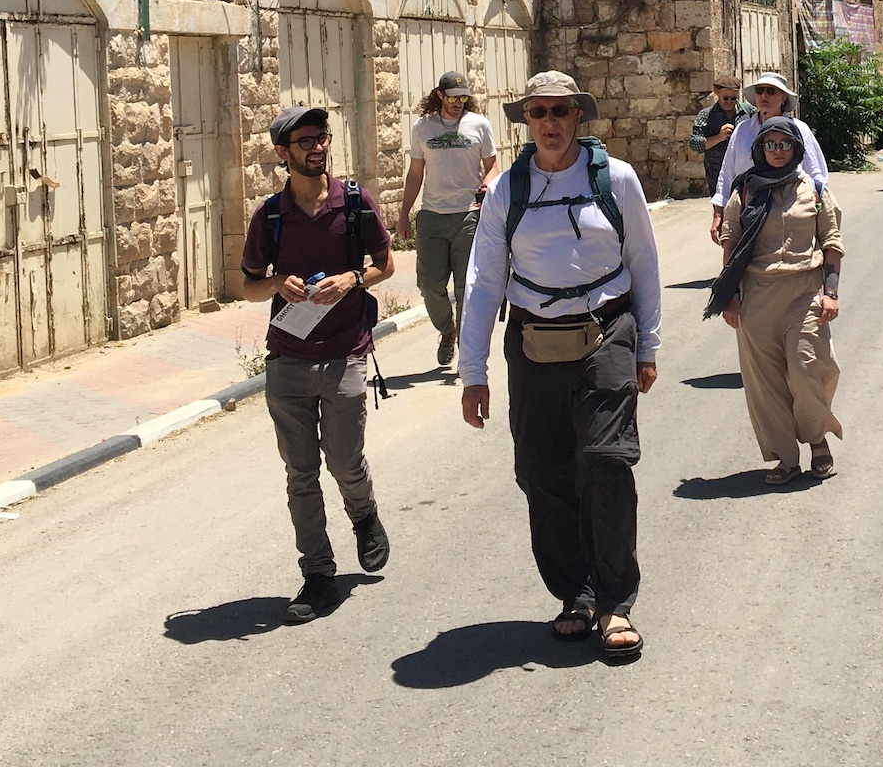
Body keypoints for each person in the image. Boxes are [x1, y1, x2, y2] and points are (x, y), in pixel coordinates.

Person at [459, 71, 663, 660]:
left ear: (578, 117)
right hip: (532, 342)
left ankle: (615, 602)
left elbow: (644, 264)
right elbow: (483, 282)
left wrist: (646, 345)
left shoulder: (615, 180)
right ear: (526, 120)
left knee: (605, 459)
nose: (550, 121)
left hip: (607, 330)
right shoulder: (507, 191)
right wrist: (473, 372)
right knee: (543, 470)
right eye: (539, 111)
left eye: (561, 111)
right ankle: (574, 594)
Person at [241, 105, 396, 625]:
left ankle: (364, 517)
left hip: (346, 354)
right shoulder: (271, 216)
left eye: (322, 137)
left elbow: (385, 264)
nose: (317, 146)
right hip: (287, 362)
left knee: (345, 461)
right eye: (305, 140)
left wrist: (352, 279)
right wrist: (276, 285)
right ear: (283, 153)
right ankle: (319, 574)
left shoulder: (354, 203)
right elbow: (247, 285)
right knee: (300, 474)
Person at [708, 118, 845, 484]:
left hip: (804, 291)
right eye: (770, 145)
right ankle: (786, 457)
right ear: (760, 149)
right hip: (757, 296)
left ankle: (817, 439)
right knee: (766, 384)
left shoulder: (815, 190)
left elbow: (831, 243)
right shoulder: (746, 190)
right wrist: (730, 299)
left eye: (785, 144)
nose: (778, 151)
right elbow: (731, 244)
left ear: (797, 147)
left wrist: (830, 293)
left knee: (806, 368)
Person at [398, 71, 498, 369]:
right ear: (440, 95)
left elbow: (492, 166)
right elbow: (416, 173)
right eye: (453, 97)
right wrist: (404, 214)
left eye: (463, 98)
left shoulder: (479, 125)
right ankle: (447, 329)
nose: (458, 103)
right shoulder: (423, 127)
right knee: (429, 285)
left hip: (467, 214)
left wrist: (488, 184)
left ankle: (467, 346)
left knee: (465, 287)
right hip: (431, 217)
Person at [710, 71, 830, 244]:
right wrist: (718, 213)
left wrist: (821, 215)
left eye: (771, 91)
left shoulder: (800, 130)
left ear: (784, 98)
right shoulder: (743, 130)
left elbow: (816, 176)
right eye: (760, 90)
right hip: (747, 211)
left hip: (790, 212)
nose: (764, 95)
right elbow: (727, 173)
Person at [690, 76, 754, 198]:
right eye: (725, 98)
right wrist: (719, 137)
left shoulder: (749, 112)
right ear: (717, 93)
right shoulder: (706, 115)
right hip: (717, 174)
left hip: (745, 172)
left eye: (733, 98)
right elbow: (694, 143)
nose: (729, 101)